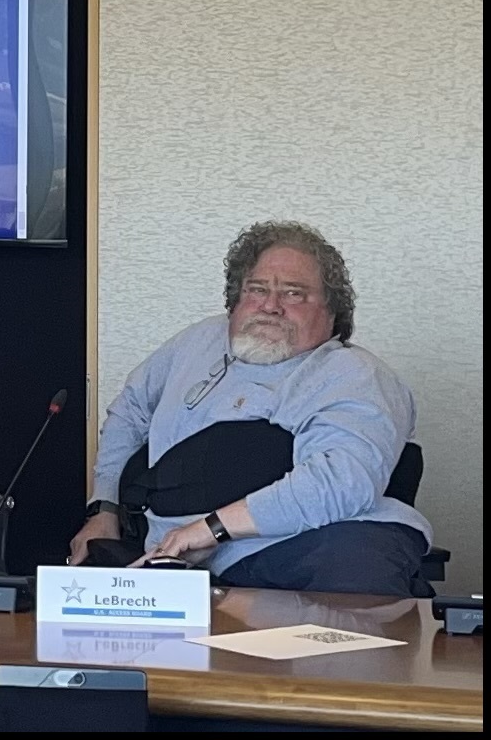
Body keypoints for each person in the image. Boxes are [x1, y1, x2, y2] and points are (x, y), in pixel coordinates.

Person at [68, 221, 434, 597]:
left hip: (290, 546)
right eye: (257, 289)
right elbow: (130, 411)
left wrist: (213, 527)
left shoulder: (350, 374)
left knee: (354, 567)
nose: (271, 306)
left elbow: (342, 481)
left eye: (294, 294)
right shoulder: (200, 340)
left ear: (331, 314)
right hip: (167, 548)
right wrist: (104, 509)